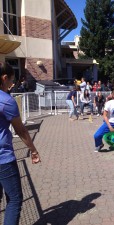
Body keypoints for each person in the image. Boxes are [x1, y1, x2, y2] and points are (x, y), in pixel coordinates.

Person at [0, 62, 41, 225]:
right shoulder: (6, 100)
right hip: (3, 158)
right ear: (4, 78)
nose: (13, 84)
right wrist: (34, 150)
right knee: (15, 199)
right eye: (11, 80)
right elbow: (21, 131)